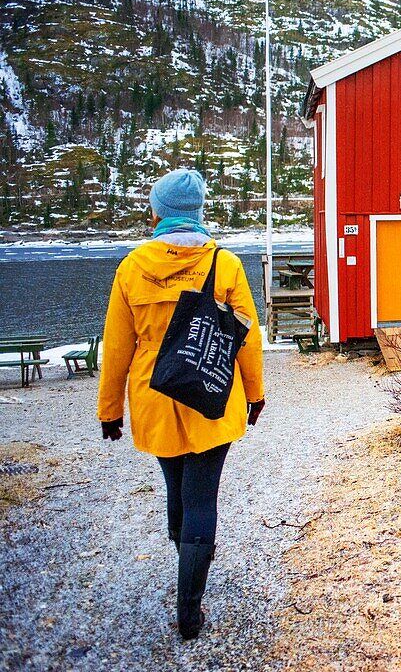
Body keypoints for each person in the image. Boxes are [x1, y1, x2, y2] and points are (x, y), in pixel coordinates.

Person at [97, 169, 266, 640]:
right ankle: (190, 605)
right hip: (212, 394)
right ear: (198, 212)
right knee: (202, 497)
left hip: (156, 395)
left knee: (177, 489)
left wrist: (110, 410)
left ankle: (186, 573)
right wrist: (254, 394)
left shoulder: (131, 268)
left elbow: (117, 347)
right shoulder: (225, 264)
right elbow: (247, 339)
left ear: (158, 212)